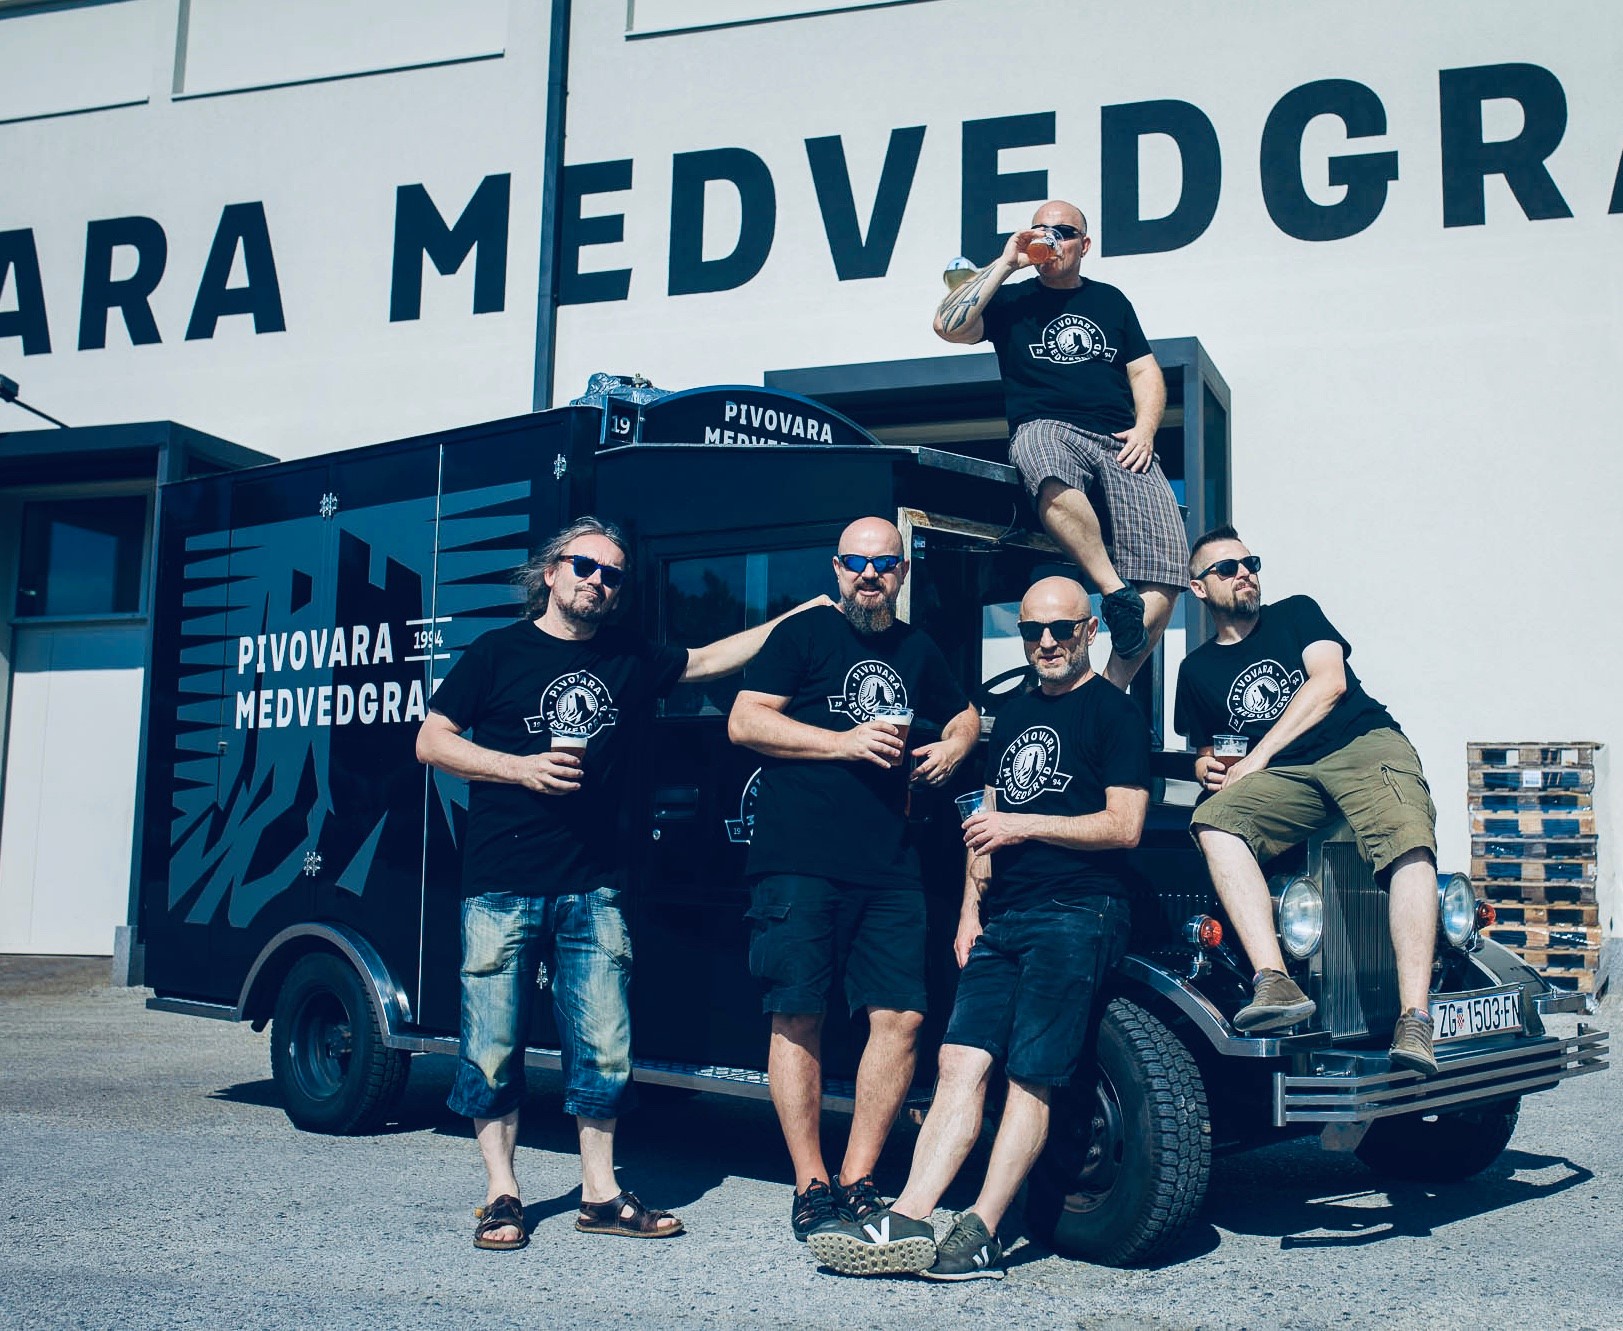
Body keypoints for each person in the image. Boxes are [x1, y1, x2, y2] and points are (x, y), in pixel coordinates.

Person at [416, 515, 824, 1251]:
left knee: (604, 1045)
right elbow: (431, 740)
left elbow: (707, 660)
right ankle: (502, 1194)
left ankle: (600, 1194)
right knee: (492, 1045)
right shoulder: (497, 652)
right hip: (500, 882)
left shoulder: (627, 655)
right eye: (585, 567)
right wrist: (519, 768)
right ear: (551, 572)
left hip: (593, 886)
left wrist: (799, 615)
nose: (597, 582)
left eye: (611, 574)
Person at [806, 576, 1148, 1280]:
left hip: (1077, 911)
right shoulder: (1012, 711)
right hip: (1002, 918)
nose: (1046, 642)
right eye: (1031, 631)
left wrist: (1023, 824)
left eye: (1060, 629)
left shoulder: (1114, 712)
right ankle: (906, 1217)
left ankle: (983, 1229)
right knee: (958, 1063)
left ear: (1089, 631)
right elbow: (984, 823)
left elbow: (1125, 825)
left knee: (1031, 1075)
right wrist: (969, 912)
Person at [727, 516, 981, 1243]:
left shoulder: (917, 648)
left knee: (901, 1017)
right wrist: (841, 741)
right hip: (797, 859)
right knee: (797, 1012)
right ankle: (810, 1184)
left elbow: (963, 713)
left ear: (902, 572)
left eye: (883, 563)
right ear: (836, 569)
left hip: (891, 864)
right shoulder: (801, 635)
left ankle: (858, 1178)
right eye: (856, 562)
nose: (869, 574)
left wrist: (954, 746)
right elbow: (745, 721)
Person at [1172, 525, 1439, 1075]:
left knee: (1407, 841)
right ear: (1199, 588)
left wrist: (1256, 758)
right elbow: (1207, 749)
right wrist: (1206, 766)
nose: (1245, 574)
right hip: (1291, 776)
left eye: (1251, 564)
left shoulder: (1296, 613)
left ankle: (1414, 1019)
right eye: (1227, 568)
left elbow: (1329, 684)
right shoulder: (1195, 670)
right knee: (1212, 821)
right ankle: (1274, 980)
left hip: (1359, 745)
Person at [932, 198, 1187, 689]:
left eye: (1063, 232)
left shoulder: (1110, 300)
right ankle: (1114, 592)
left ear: (1084, 245)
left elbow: (1144, 371)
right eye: (1040, 230)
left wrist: (1146, 429)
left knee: (1167, 567)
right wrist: (1006, 262)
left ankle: (1108, 691)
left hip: (1118, 437)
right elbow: (947, 326)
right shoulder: (1011, 299)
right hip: (1047, 424)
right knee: (1042, 455)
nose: (1050, 239)